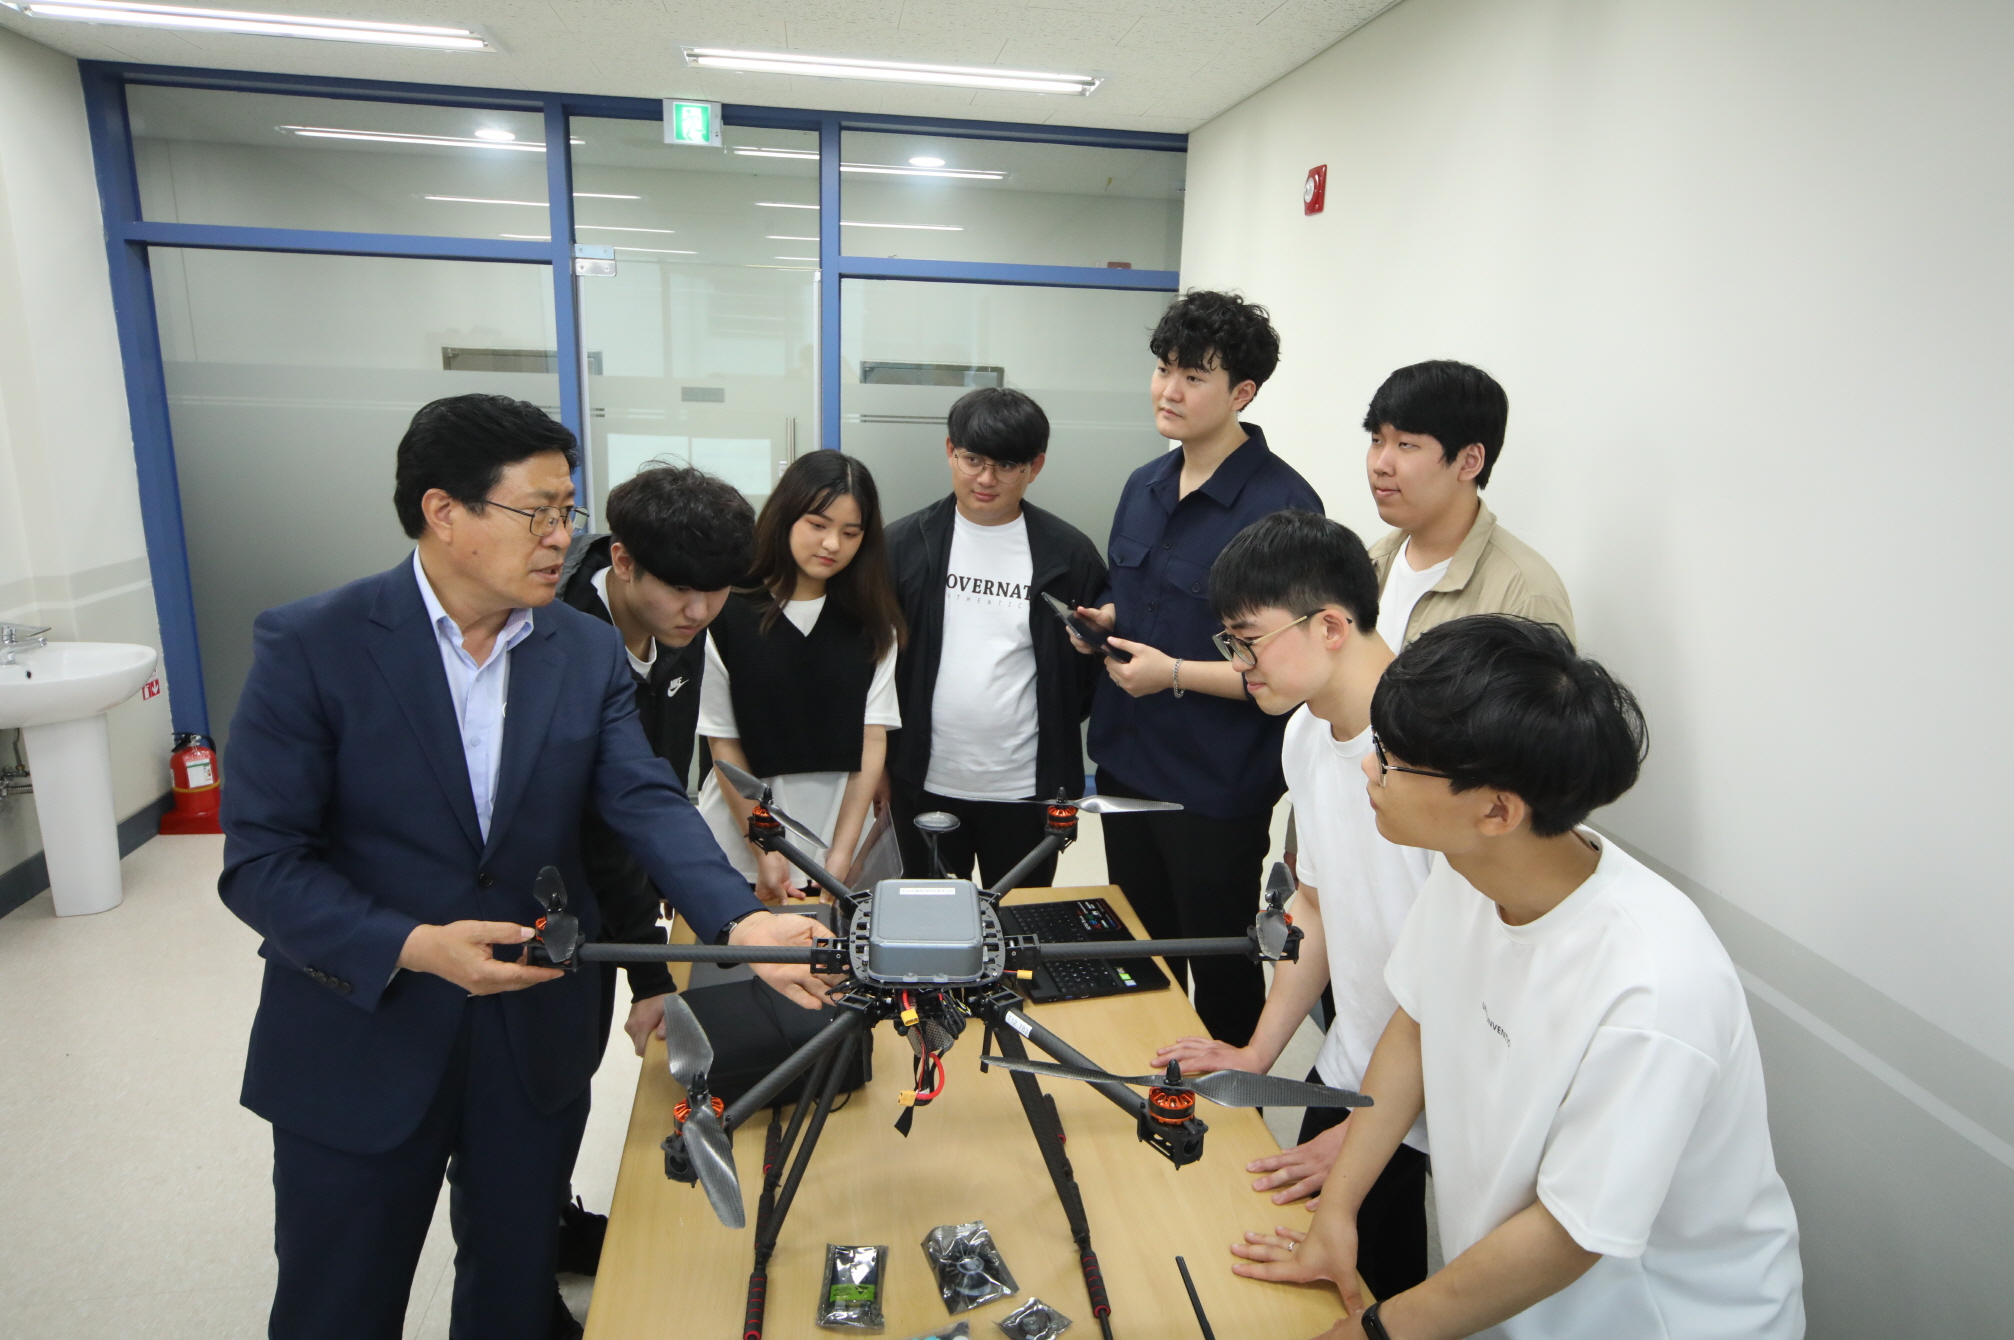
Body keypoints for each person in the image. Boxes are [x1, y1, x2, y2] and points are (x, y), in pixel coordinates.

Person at [218, 393, 828, 1340]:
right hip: (363, 1028)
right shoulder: (313, 645)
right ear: (443, 511)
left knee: (512, 1288)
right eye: (537, 512)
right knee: (338, 1300)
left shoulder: (579, 649)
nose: (561, 538)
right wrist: (414, 945)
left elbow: (643, 800)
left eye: (566, 511)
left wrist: (738, 918)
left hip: (532, 1027)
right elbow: (262, 864)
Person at [1232, 616, 1803, 1340]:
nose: (1368, 770)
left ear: (1497, 809)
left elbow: (1569, 1233)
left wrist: (1379, 1330)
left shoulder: (1654, 987)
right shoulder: (1470, 867)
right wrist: (1337, 1213)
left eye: (1393, 761)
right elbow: (1415, 1024)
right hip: (1509, 1299)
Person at [1152, 509, 1434, 1302]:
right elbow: (1315, 904)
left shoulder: (1433, 759)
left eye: (1249, 641)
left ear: (1332, 626)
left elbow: (1468, 978)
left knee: (1370, 1296)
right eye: (1229, 643)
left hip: (1426, 1096)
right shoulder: (1307, 731)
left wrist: (1375, 1131)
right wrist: (1257, 1053)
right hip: (1349, 1067)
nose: (1240, 665)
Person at [1074, 290, 1323, 1046]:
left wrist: (1174, 673)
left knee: (1217, 968)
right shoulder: (1144, 483)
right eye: (1164, 369)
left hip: (1214, 788)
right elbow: (1136, 595)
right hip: (1127, 764)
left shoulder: (1284, 510)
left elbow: (1290, 672)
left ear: (1243, 393)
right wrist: (1106, 621)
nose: (1169, 390)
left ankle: (1229, 1099)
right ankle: (1149, 1089)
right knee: (1136, 954)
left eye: (1193, 376)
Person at [547, 463, 754, 1286]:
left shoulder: (674, 628)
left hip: (611, 886)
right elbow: (600, 825)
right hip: (544, 898)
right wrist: (650, 975)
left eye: (716, 591)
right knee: (536, 1089)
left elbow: (656, 783)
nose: (698, 611)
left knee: (566, 1081)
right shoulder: (561, 639)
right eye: (681, 590)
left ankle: (551, 1219)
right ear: (623, 560)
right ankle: (527, 1249)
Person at [884, 387, 1107, 886]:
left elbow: (1092, 666)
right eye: (972, 460)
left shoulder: (1069, 554)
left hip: (1026, 791)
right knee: (929, 921)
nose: (986, 479)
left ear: (1035, 466)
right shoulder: (901, 546)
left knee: (1019, 923)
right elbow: (873, 665)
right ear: (950, 451)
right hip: (923, 785)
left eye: (1006, 465)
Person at [696, 451, 905, 902]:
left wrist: (842, 853)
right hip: (740, 845)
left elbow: (871, 740)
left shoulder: (874, 624)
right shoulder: (725, 610)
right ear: (786, 516)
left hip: (837, 846)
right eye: (817, 525)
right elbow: (723, 744)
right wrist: (764, 848)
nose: (832, 544)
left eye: (850, 533)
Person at [1362, 360, 1575, 650]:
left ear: (1469, 462)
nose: (1380, 464)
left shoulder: (1524, 594)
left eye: (1406, 444)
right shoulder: (1371, 563)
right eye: (1376, 440)